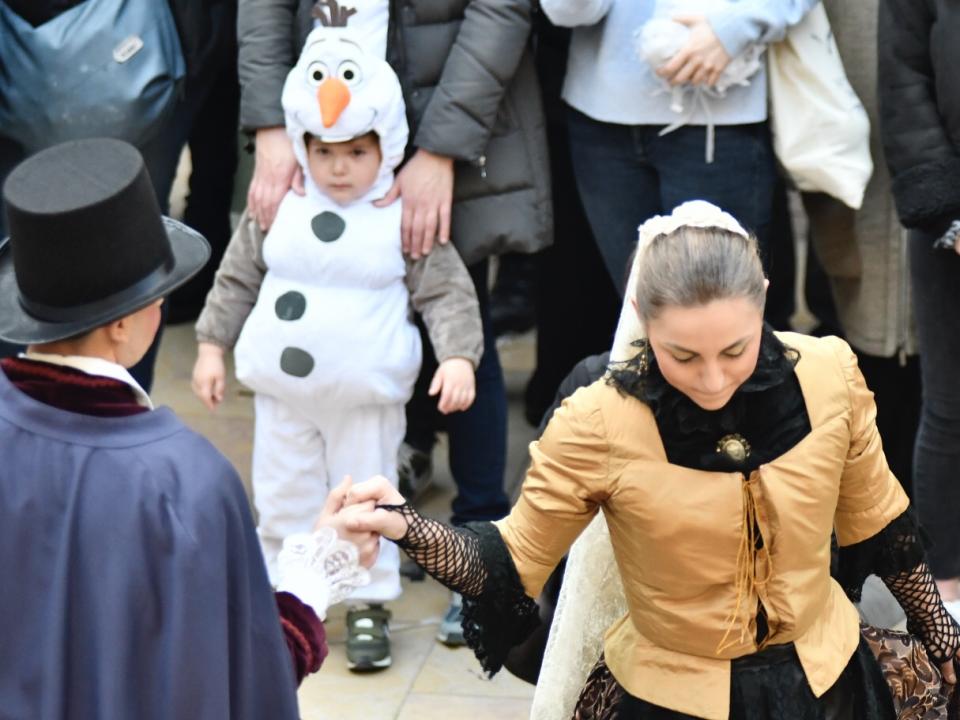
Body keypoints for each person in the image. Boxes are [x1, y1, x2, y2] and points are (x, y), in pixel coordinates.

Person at [343, 201, 960, 718]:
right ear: (639, 317)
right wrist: (401, 524)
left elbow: (881, 528)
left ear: (765, 298)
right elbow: (508, 561)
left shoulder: (830, 373)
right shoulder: (598, 421)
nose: (714, 380)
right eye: (683, 356)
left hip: (829, 683)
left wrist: (942, 639)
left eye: (736, 349)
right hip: (665, 697)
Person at [0, 138, 380, 717]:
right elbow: (243, 683)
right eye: (159, 293)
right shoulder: (184, 483)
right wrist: (322, 570)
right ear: (123, 324)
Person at [193, 13, 483, 671]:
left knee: (365, 502)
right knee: (284, 494)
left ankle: (366, 604)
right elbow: (235, 277)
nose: (340, 168)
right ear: (301, 144)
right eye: (324, 152)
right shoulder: (281, 206)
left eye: (357, 152)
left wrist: (459, 356)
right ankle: (279, 598)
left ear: (387, 145)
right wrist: (211, 345)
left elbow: (447, 292)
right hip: (283, 394)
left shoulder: (397, 215)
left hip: (364, 396)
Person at [540, 0, 817, 295]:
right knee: (638, 310)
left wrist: (736, 26)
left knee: (724, 305)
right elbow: (565, 12)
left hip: (721, 115)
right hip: (603, 113)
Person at [878, 0, 960, 621]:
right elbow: (903, 71)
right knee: (951, 407)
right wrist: (945, 209)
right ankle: (946, 606)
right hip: (950, 212)